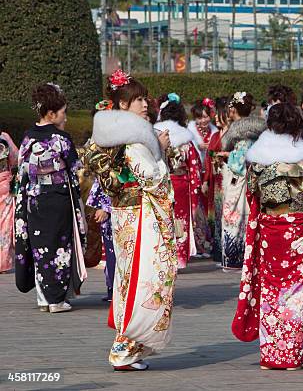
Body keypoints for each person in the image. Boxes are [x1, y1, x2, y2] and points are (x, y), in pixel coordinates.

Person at [232, 102, 303, 370]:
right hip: (296, 231)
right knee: (293, 293)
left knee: (271, 292)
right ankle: (289, 356)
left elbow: (252, 195)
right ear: (297, 127)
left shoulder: (258, 159)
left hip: (267, 231)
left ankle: (269, 356)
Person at [84, 69, 176, 371]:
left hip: (125, 213)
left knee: (129, 278)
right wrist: (161, 152)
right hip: (141, 214)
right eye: (137, 100)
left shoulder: (111, 135)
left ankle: (128, 343)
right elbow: (150, 177)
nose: (144, 104)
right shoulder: (133, 139)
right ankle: (125, 347)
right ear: (122, 105)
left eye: (143, 99)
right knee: (144, 278)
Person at [14, 83, 87, 313]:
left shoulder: (27, 138)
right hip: (58, 199)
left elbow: (22, 170)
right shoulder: (61, 139)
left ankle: (44, 298)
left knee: (39, 247)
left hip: (34, 200)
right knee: (58, 248)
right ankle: (56, 299)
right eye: (64, 112)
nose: (65, 117)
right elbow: (75, 167)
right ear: (52, 113)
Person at [155, 92, 210, 269]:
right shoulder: (186, 139)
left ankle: (164, 256)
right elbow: (194, 168)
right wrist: (195, 193)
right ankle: (179, 257)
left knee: (163, 219)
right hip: (181, 184)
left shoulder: (157, 136)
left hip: (162, 184)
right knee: (181, 221)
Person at [220, 92, 266, 270]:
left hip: (236, 173)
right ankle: (253, 255)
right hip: (255, 171)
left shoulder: (234, 129)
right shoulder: (261, 126)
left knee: (232, 213)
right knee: (252, 211)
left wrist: (229, 155)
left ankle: (233, 258)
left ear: (234, 108)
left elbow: (225, 145)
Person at [189, 97, 219, 258]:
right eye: (199, 117)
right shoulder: (190, 132)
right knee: (195, 210)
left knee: (209, 208)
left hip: (209, 173)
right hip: (195, 174)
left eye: (206, 116)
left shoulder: (214, 132)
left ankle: (209, 241)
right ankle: (197, 244)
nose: (203, 120)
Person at [207, 98, 231, 264]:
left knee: (230, 214)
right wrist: (205, 180)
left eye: (218, 115)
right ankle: (218, 250)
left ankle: (229, 250)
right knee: (217, 214)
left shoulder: (234, 134)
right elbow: (208, 158)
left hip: (230, 178)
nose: (215, 118)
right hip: (216, 178)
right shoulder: (215, 134)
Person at [0, 132, 18, 273]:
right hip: (3, 183)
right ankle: (2, 262)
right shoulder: (4, 138)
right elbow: (16, 158)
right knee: (4, 225)